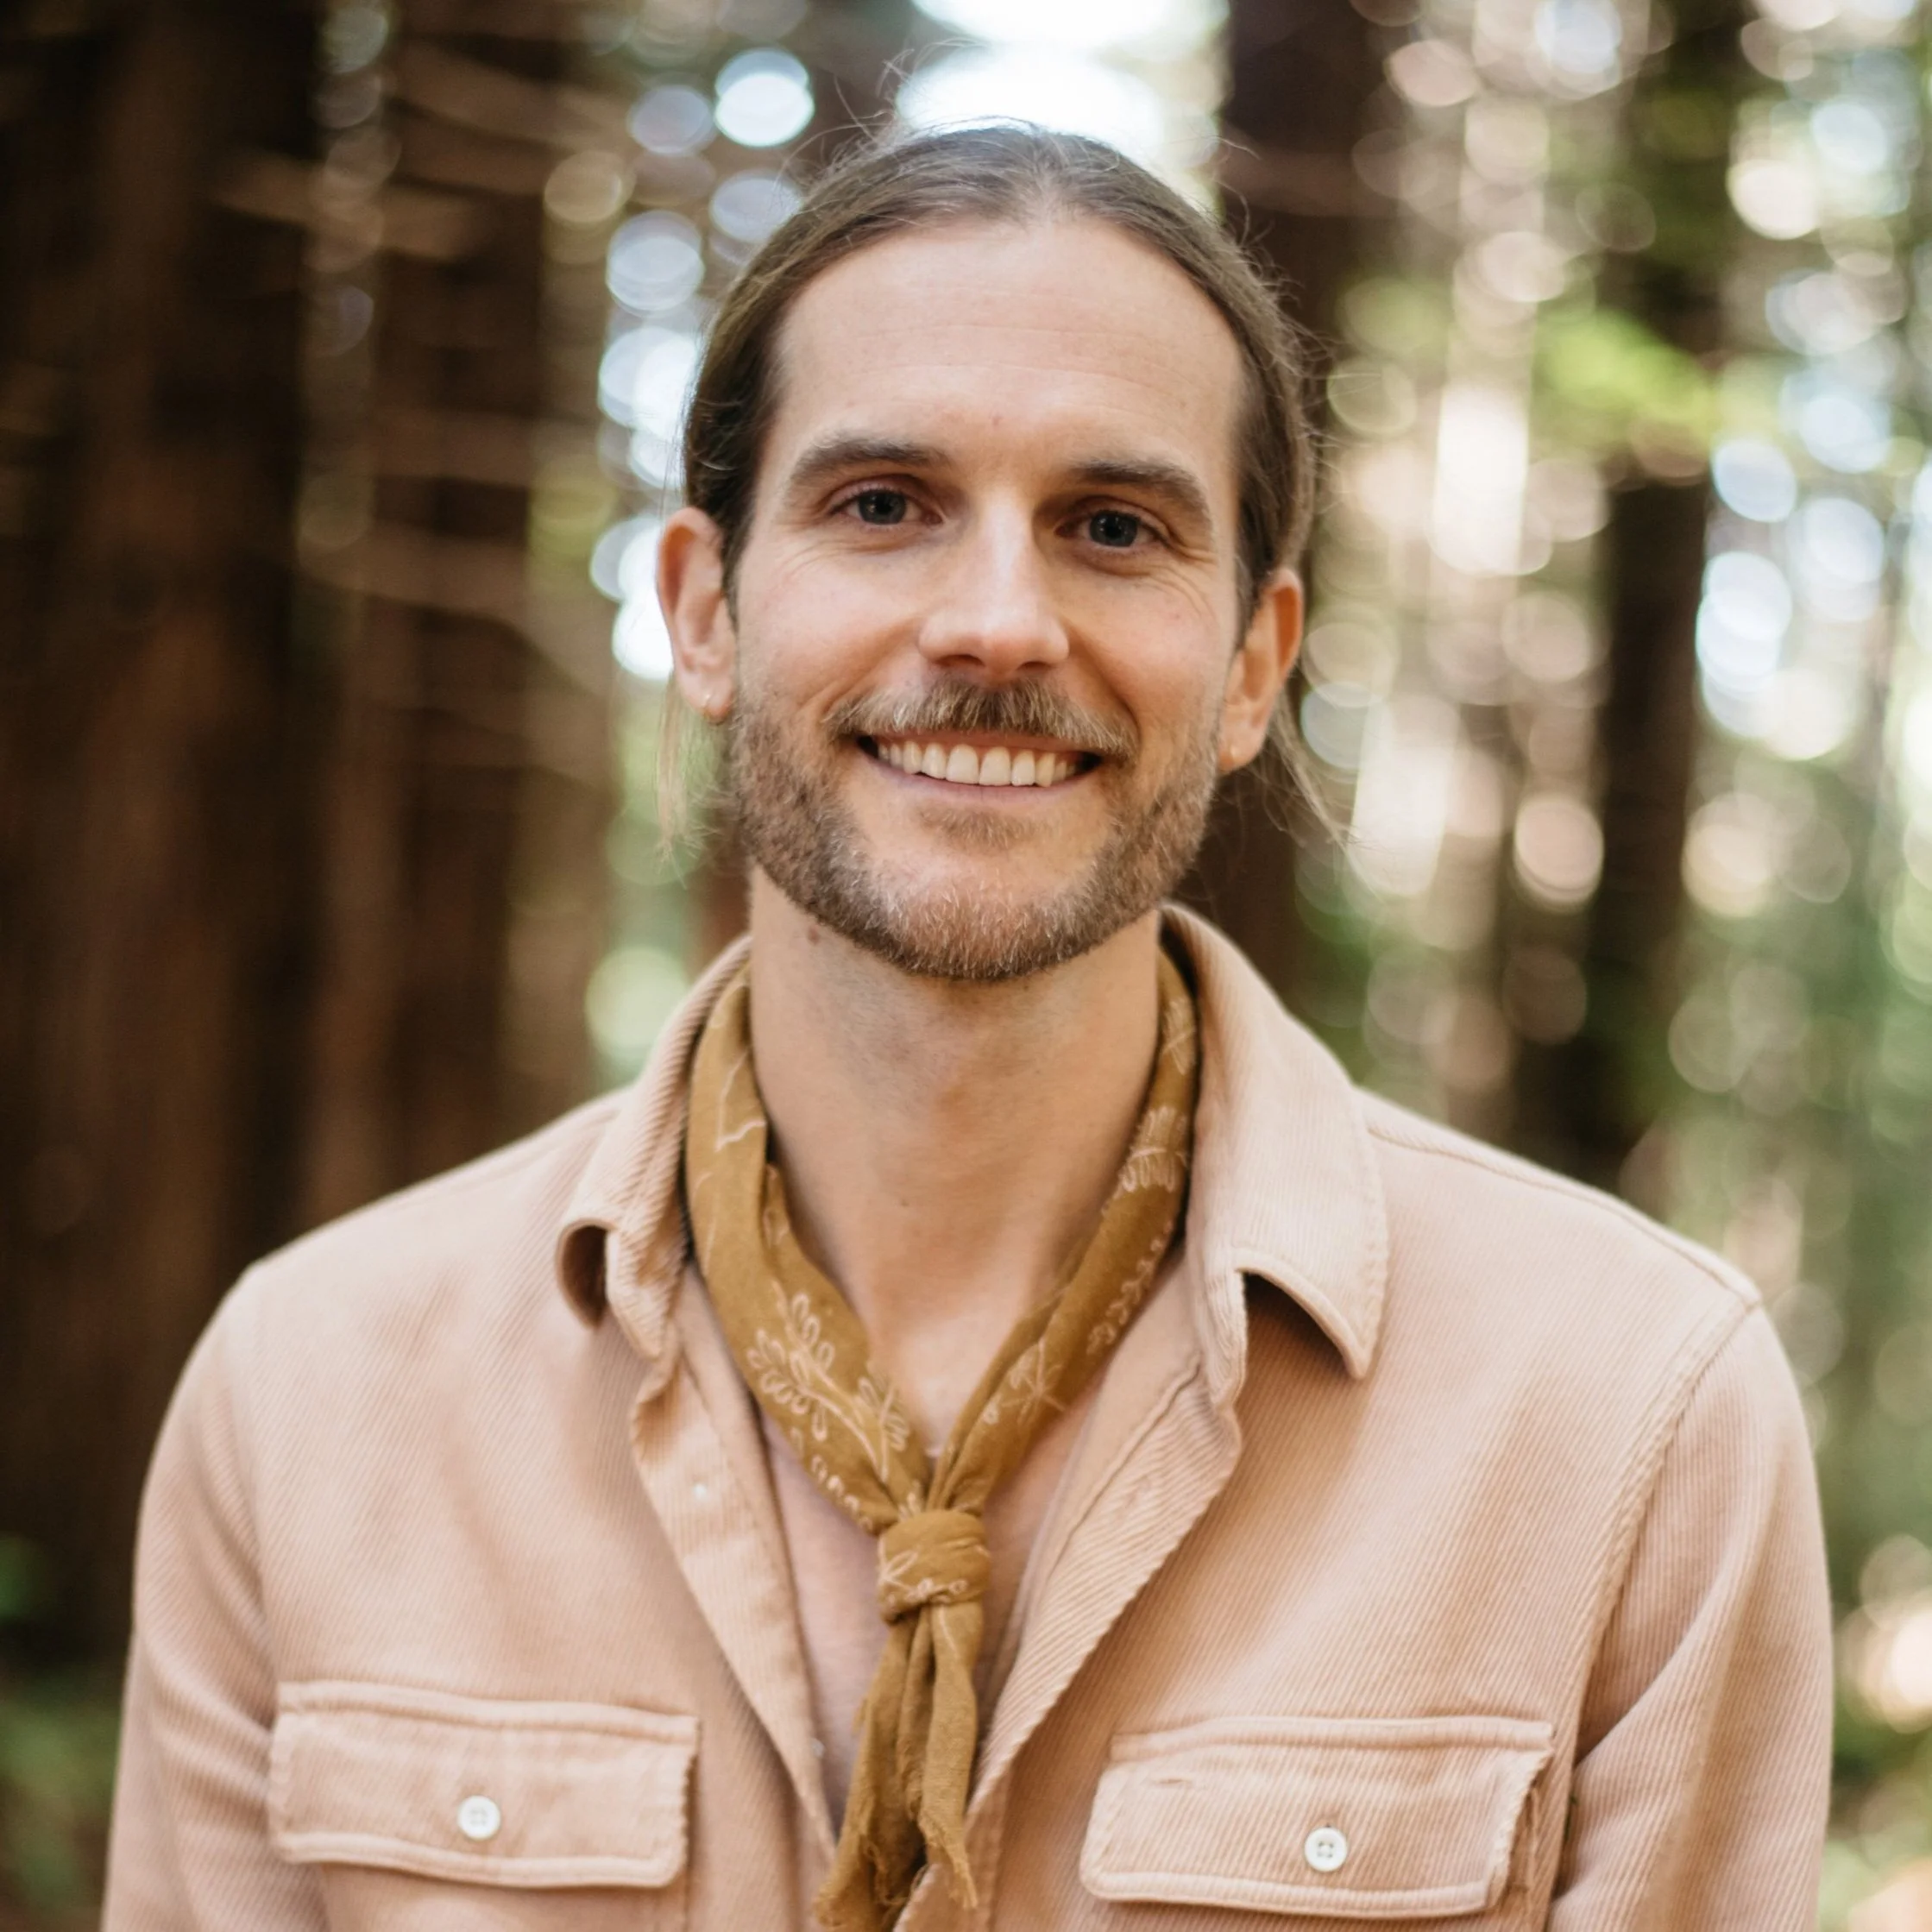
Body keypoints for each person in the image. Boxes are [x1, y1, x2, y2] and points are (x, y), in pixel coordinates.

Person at [104, 124, 1832, 1931]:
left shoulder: (1631, 1417)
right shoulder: (305, 1402)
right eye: (882, 505)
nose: (1001, 621)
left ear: (1253, 663)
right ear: (704, 610)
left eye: (1112, 528)